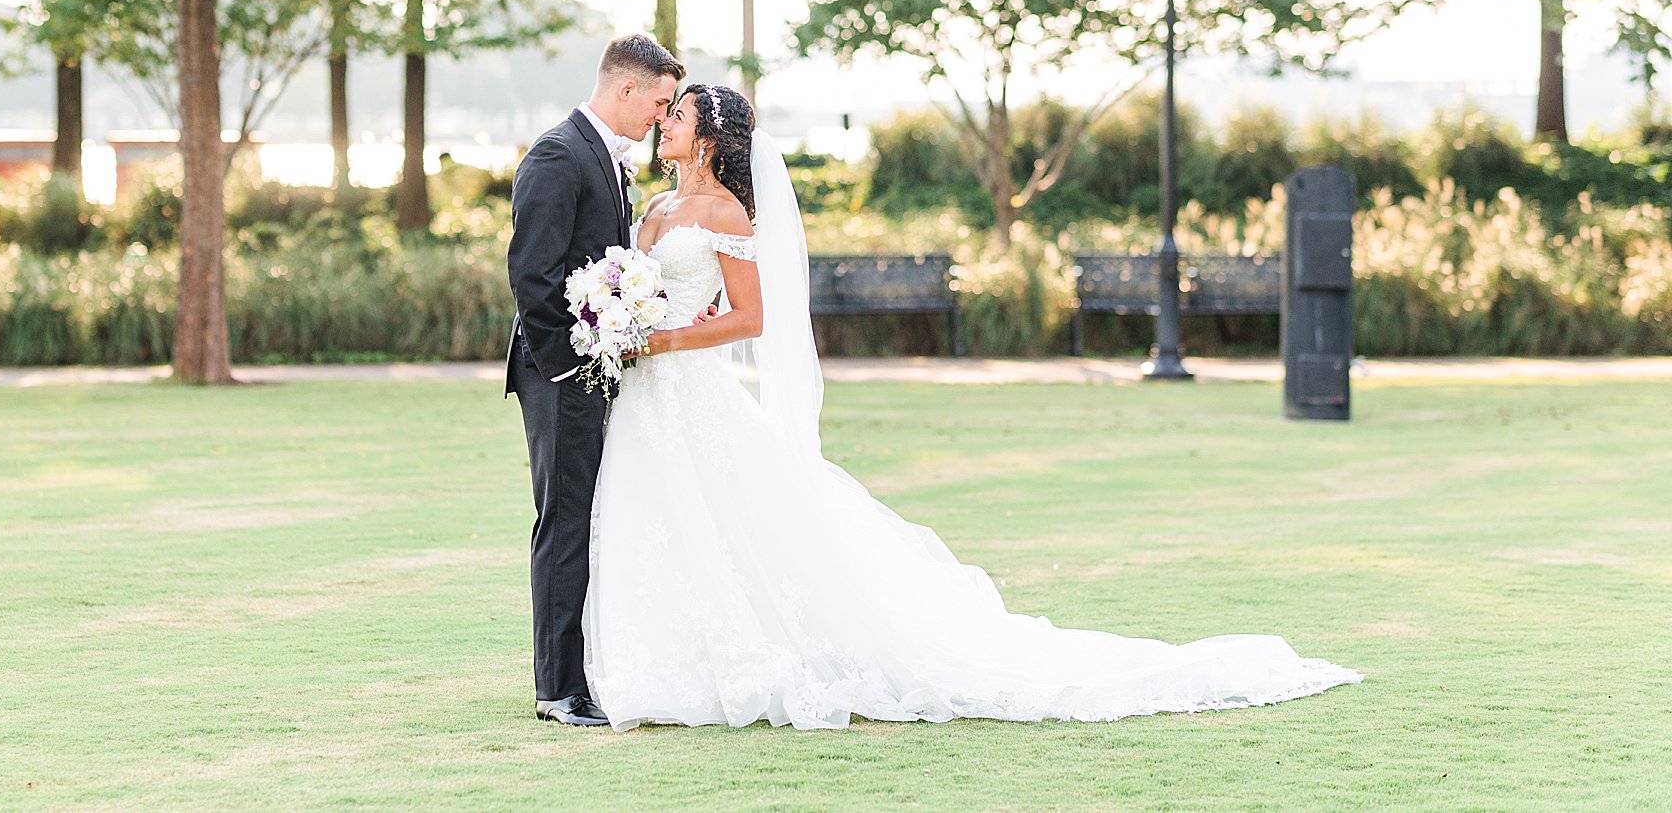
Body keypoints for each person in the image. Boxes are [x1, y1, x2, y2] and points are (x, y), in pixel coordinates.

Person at [582, 82, 1362, 731]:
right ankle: (662, 660)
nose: (665, 123)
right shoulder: (652, 207)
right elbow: (636, 280)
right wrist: (618, 318)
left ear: (709, 139)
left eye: (677, 115)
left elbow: (749, 320)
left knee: (730, 524)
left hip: (690, 384)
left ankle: (737, 661)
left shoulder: (726, 215)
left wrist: (662, 339)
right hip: (645, 396)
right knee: (663, 520)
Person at [503, 34, 682, 726]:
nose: (662, 118)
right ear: (625, 88)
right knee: (566, 519)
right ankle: (557, 688)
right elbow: (532, 275)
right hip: (560, 370)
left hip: (595, 367)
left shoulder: (609, 161)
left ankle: (583, 672)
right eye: (659, 102)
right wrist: (573, 360)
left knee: (591, 517)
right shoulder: (557, 154)